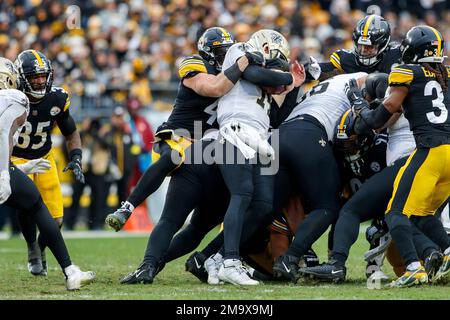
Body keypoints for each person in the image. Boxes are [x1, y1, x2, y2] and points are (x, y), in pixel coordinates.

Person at [105, 27, 256, 231]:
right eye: (221, 52)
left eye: (228, 52)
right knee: (173, 156)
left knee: (236, 185)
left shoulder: (236, 74)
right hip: (180, 134)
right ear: (208, 53)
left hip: (209, 145)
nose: (225, 57)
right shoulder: (196, 64)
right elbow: (214, 88)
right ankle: (127, 207)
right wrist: (242, 64)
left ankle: (225, 253)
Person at [340, 25, 450, 287]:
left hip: (429, 151)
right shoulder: (445, 74)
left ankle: (413, 267)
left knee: (395, 213)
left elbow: (389, 107)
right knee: (422, 214)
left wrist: (363, 115)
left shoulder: (405, 71)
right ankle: (446, 251)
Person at [0, 56, 94, 290]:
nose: (40, 82)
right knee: (29, 203)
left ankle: (40, 250)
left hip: (43, 156)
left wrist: (76, 158)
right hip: (14, 156)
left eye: (44, 76)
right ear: (21, 79)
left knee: (55, 218)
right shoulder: (14, 97)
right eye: (35, 77)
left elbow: (71, 131)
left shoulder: (56, 98)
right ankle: (35, 250)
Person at [315, 14, 401, 79]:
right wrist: (309, 69)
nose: (363, 50)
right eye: (361, 46)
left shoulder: (396, 55)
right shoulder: (347, 59)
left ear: (383, 45)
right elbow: (320, 69)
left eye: (369, 47)